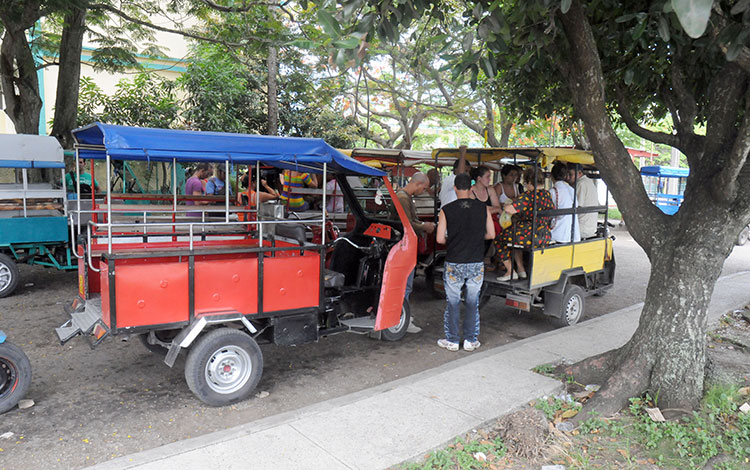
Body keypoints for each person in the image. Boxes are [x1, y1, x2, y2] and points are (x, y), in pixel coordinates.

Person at [435, 173, 495, 352]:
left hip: (454, 262)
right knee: (472, 301)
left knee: (452, 302)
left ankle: (452, 340)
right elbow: (491, 234)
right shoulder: (483, 208)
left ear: (454, 188)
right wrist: (476, 238)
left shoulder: (446, 210)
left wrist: (453, 239)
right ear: (471, 189)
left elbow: (439, 239)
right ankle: (470, 340)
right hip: (476, 262)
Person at [394, 172, 435, 334]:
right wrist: (424, 226)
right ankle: (401, 317)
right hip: (404, 244)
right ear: (418, 184)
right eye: (423, 188)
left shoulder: (404, 196)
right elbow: (406, 222)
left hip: (404, 244)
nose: (423, 191)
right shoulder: (403, 198)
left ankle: (402, 316)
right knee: (405, 285)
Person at [496, 167, 555, 281]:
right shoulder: (547, 194)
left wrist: (506, 206)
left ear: (529, 182)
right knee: (515, 238)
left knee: (499, 239)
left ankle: (510, 271)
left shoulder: (529, 195)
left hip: (530, 234)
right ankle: (521, 270)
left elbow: (510, 210)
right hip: (544, 234)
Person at [470, 165, 502, 264]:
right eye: (487, 177)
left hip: (489, 220)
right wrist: (489, 209)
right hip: (475, 221)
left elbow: (498, 208)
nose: (489, 179)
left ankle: (488, 256)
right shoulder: (470, 191)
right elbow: (474, 211)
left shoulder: (490, 190)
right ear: (479, 178)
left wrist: (485, 210)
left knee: (496, 227)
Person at [549, 161, 580, 243]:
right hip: (573, 233)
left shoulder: (553, 191)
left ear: (551, 176)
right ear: (566, 176)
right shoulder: (571, 189)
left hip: (558, 233)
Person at [568, 163, 599, 239]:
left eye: (571, 175)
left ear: (579, 173)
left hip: (582, 228)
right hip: (590, 227)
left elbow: (577, 206)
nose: (568, 178)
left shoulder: (581, 184)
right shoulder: (588, 182)